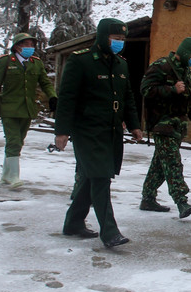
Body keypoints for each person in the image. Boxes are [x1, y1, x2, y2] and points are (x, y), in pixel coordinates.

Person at [54, 18, 143, 248]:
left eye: (122, 40)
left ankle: (73, 222)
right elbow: (67, 98)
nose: (119, 43)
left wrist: (134, 124)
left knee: (91, 177)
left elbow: (128, 97)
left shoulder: (121, 64)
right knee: (101, 177)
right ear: (103, 37)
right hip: (86, 130)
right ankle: (109, 232)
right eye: (115, 39)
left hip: (111, 131)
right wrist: (62, 131)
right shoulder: (81, 61)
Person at [139, 37, 191, 219]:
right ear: (184, 52)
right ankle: (181, 202)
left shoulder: (185, 70)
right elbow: (145, 90)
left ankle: (148, 198)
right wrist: (171, 90)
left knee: (160, 164)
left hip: (178, 125)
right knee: (172, 163)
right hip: (162, 124)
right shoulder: (161, 66)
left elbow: (190, 99)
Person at [0, 32, 57, 188]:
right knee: (13, 141)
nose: (29, 48)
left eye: (31, 45)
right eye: (26, 45)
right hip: (9, 108)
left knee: (19, 141)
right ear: (16, 47)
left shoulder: (35, 63)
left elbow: (45, 83)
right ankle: (13, 176)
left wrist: (52, 97)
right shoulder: (5, 62)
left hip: (27, 108)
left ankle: (5, 174)